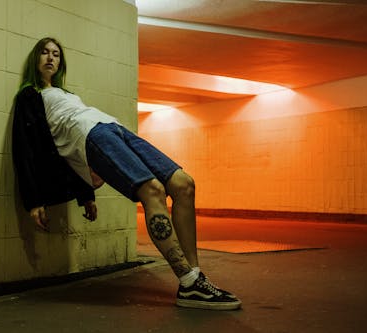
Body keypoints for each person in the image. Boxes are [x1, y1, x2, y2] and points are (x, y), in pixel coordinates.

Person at [12, 37, 241, 310]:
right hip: (91, 134)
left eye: (56, 54)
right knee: (153, 190)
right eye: (44, 53)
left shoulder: (67, 94)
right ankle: (189, 281)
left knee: (184, 184)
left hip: (112, 127)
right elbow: (26, 147)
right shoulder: (29, 95)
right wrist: (35, 199)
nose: (51, 58)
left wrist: (86, 194)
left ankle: (194, 278)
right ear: (35, 59)